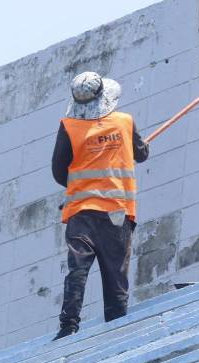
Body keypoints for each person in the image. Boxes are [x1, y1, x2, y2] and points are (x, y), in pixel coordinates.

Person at [51, 71, 149, 341]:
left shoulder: (69, 126)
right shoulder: (124, 122)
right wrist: (141, 146)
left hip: (81, 213)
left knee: (78, 269)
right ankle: (116, 324)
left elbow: (59, 171)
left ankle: (68, 325)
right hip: (117, 212)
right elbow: (141, 154)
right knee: (115, 272)